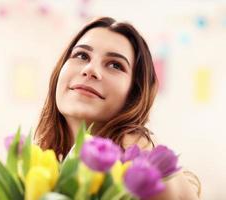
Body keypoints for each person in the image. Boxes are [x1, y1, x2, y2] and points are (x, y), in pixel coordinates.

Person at [34, 17, 201, 199]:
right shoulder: (38, 162)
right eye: (82, 55)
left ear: (133, 94)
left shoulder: (144, 165)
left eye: (115, 65)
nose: (91, 69)